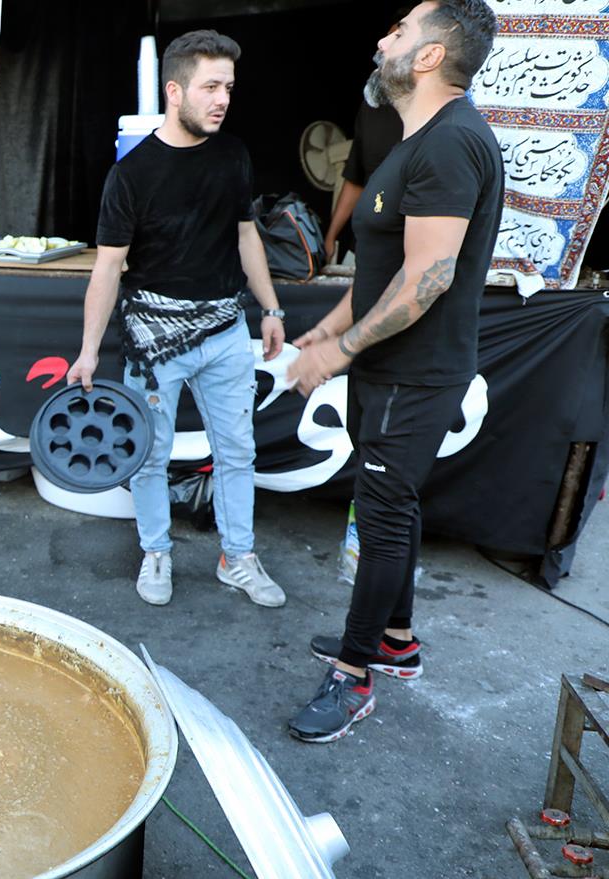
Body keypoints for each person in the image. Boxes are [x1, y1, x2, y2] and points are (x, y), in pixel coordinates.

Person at [286, 0, 502, 743]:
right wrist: (327, 327)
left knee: (380, 515)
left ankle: (354, 676)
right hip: (390, 368)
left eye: (400, 31)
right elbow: (382, 272)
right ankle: (395, 638)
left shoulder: (449, 144)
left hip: (415, 373)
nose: (383, 40)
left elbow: (427, 279)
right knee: (393, 508)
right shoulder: (414, 142)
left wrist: (337, 354)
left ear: (433, 55)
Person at [67, 30, 287, 609]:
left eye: (229, 88)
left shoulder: (234, 155)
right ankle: (156, 551)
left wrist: (270, 308)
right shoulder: (130, 176)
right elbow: (108, 268)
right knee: (150, 455)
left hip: (224, 330)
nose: (222, 99)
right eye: (210, 87)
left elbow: (246, 235)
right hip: (151, 338)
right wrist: (89, 351)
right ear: (174, 90)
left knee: (238, 452)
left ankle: (237, 558)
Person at [323, 14, 411, 263]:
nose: (383, 45)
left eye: (399, 37)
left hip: (408, 250)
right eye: (387, 37)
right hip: (365, 243)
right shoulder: (370, 106)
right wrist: (331, 237)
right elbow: (356, 178)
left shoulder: (435, 117)